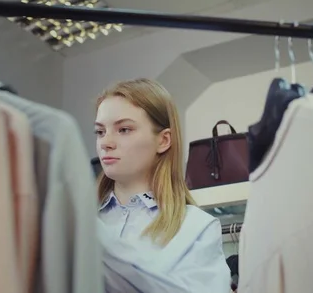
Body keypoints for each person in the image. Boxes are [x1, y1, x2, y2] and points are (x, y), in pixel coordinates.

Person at [94, 78, 231, 292]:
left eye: (124, 130)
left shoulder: (196, 228)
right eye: (100, 131)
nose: (105, 142)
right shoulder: (77, 221)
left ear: (164, 140)